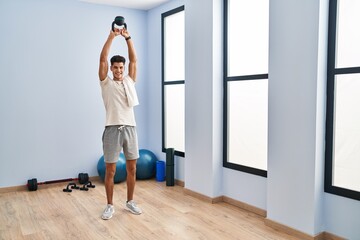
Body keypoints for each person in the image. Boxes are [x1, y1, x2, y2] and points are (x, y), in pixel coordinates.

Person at [98, 26, 141, 220]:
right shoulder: (106, 83)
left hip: (130, 128)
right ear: (111, 68)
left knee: (132, 168)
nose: (118, 71)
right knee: (111, 170)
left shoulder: (129, 82)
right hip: (112, 129)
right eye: (115, 67)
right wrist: (111, 36)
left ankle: (130, 201)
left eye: (121, 68)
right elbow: (102, 59)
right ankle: (109, 205)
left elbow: (134, 60)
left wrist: (128, 37)